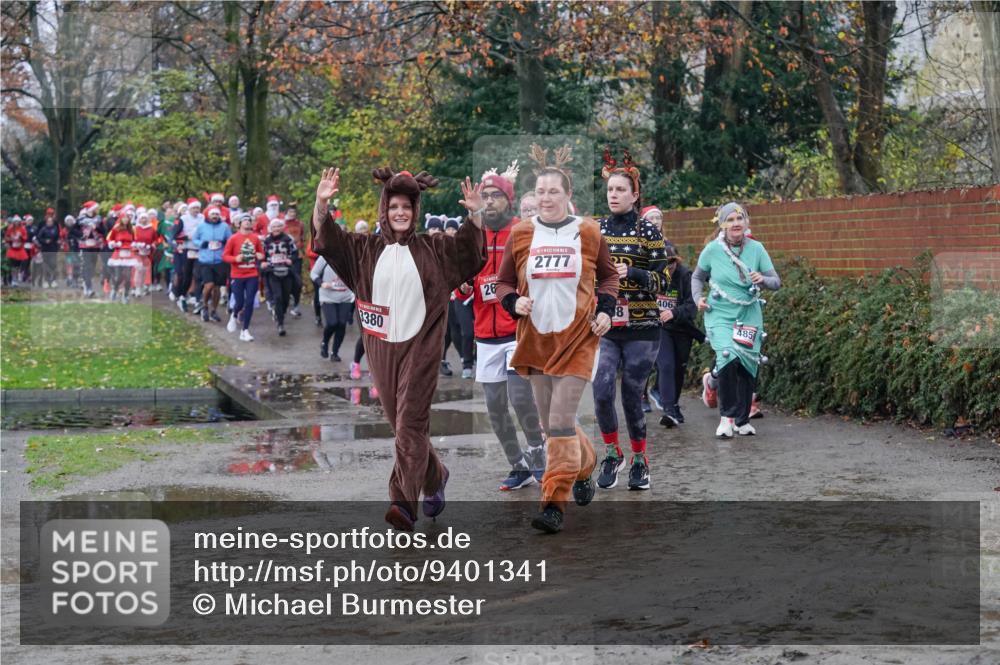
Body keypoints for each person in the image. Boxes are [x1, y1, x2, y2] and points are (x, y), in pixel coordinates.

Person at [311, 166, 486, 531]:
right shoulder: (364, 250)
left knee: (409, 423)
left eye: (406, 207)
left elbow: (471, 253)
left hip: (421, 348)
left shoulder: (434, 248)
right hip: (381, 350)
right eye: (393, 207)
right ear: (384, 211)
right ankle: (435, 477)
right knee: (404, 428)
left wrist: (475, 213)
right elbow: (327, 241)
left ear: (415, 210)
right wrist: (321, 204)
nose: (400, 213)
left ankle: (402, 505)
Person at [495, 144, 619, 534]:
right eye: (541, 192)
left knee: (562, 421)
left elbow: (610, 277)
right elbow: (503, 283)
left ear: (568, 196)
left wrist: (605, 310)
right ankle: (584, 464)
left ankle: (553, 504)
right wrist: (514, 302)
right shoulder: (520, 234)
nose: (546, 198)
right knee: (552, 426)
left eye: (554, 191)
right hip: (535, 340)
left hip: (578, 338)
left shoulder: (587, 231)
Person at [592, 149, 669, 492]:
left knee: (631, 394)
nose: (614, 195)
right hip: (607, 326)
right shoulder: (595, 229)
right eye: (610, 190)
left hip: (643, 328)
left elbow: (664, 280)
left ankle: (640, 460)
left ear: (635, 195)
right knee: (601, 387)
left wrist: (634, 272)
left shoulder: (648, 232)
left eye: (620, 190)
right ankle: (612, 453)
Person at [471, 161, 547, 491]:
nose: (489, 201)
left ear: (508, 200)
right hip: (484, 333)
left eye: (496, 196)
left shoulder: (523, 231)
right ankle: (518, 465)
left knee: (520, 397)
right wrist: (461, 284)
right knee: (494, 406)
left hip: (518, 328)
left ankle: (538, 455)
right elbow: (465, 277)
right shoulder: (471, 234)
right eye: (484, 196)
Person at [692, 202, 780, 438]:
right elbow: (698, 277)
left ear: (746, 223)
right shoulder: (712, 250)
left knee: (748, 364)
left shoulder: (757, 249)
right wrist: (697, 298)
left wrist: (761, 278)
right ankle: (726, 418)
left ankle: (742, 421)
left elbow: (776, 282)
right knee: (728, 357)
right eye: (730, 220)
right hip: (719, 313)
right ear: (722, 224)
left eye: (739, 219)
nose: (736, 224)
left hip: (749, 314)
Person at [651, 244, 703, 427]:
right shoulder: (651, 277)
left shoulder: (685, 276)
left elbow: (692, 305)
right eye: (664, 264)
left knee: (679, 369)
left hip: (682, 330)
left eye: (672, 263)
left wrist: (674, 312)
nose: (668, 268)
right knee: (666, 365)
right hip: (660, 329)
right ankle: (669, 410)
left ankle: (673, 405)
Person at [223, 212, 265, 341]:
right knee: (239, 302)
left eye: (249, 220)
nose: (247, 222)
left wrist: (260, 256)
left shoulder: (255, 238)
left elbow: (262, 254)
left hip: (252, 273)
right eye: (245, 220)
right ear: (239, 224)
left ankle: (245, 330)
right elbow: (225, 256)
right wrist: (236, 258)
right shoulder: (233, 238)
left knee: (250, 302)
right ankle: (234, 315)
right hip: (237, 275)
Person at [191, 204, 233, 323]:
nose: (215, 216)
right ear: (208, 216)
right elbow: (194, 239)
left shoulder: (225, 226)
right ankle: (204, 306)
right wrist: (201, 244)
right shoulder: (201, 226)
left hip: (220, 261)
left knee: (217, 288)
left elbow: (230, 240)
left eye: (216, 214)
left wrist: (225, 242)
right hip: (205, 260)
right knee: (208, 285)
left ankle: (213, 310)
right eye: (213, 214)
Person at [311, 253, 355, 360]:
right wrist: (321, 283)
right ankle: (324, 342)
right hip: (327, 296)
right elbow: (314, 273)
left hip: (346, 296)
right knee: (332, 322)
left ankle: (335, 353)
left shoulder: (350, 256)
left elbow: (358, 274)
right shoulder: (325, 257)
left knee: (341, 324)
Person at [261, 218, 298, 336]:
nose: (276, 229)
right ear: (270, 228)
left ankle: (280, 313)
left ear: (282, 228)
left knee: (286, 298)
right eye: (274, 227)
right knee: (278, 297)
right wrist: (263, 263)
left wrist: (290, 260)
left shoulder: (288, 239)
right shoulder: (266, 241)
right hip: (272, 272)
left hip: (286, 272)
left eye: (278, 226)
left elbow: (295, 253)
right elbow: (261, 254)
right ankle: (280, 324)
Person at [174, 199, 203, 312]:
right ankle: (181, 296)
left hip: (200, 250)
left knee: (199, 275)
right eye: (193, 208)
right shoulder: (183, 219)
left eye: (197, 208)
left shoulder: (202, 218)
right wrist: (187, 237)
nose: (196, 210)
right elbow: (175, 235)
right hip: (188, 249)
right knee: (187, 275)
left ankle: (197, 299)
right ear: (189, 209)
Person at [105, 211, 137, 303]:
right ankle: (114, 290)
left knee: (128, 277)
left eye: (127, 218)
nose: (126, 219)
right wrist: (114, 243)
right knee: (118, 276)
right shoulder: (116, 229)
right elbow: (109, 239)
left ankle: (125, 295)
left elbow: (134, 239)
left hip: (129, 254)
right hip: (118, 254)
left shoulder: (132, 229)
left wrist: (134, 244)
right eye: (124, 218)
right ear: (121, 219)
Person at [284, 204, 306, 319]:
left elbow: (302, 238)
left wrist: (299, 245)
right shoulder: (281, 224)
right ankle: (282, 304)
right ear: (286, 212)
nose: (292, 214)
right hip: (284, 256)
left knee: (297, 280)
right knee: (285, 280)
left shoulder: (300, 224)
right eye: (290, 212)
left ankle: (296, 305)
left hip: (297, 255)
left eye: (294, 212)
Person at [132, 209, 160, 296]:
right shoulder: (135, 229)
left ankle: (145, 285)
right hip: (137, 252)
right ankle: (137, 288)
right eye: (142, 218)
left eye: (145, 218)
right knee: (138, 269)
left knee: (146, 270)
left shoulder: (151, 229)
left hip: (148, 253)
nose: (144, 220)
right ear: (139, 219)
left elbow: (156, 240)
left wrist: (152, 245)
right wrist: (136, 245)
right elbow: (131, 239)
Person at [36, 209, 62, 287]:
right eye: (49, 214)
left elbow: (58, 235)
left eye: (52, 214)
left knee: (53, 264)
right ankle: (45, 280)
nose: (50, 215)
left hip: (53, 248)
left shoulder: (56, 225)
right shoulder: (42, 225)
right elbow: (38, 236)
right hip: (45, 248)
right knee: (45, 264)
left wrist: (58, 242)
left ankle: (53, 280)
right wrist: (43, 241)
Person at [4, 216, 30, 285]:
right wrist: (10, 240)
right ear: (13, 222)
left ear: (19, 222)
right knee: (13, 264)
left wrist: (20, 237)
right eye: (15, 221)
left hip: (20, 249)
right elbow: (7, 237)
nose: (16, 223)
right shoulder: (10, 229)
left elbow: (25, 237)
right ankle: (13, 279)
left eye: (18, 221)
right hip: (13, 249)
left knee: (20, 263)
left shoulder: (22, 229)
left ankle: (17, 276)